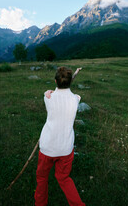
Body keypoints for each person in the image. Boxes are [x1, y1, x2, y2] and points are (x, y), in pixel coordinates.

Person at [34, 66, 85, 206]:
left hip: (47, 147)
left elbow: (50, 93)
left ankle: (40, 204)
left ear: (55, 81)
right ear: (69, 82)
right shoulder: (76, 99)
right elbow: (75, 95)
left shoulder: (48, 98)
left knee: (42, 177)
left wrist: (47, 91)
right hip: (66, 149)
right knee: (63, 178)